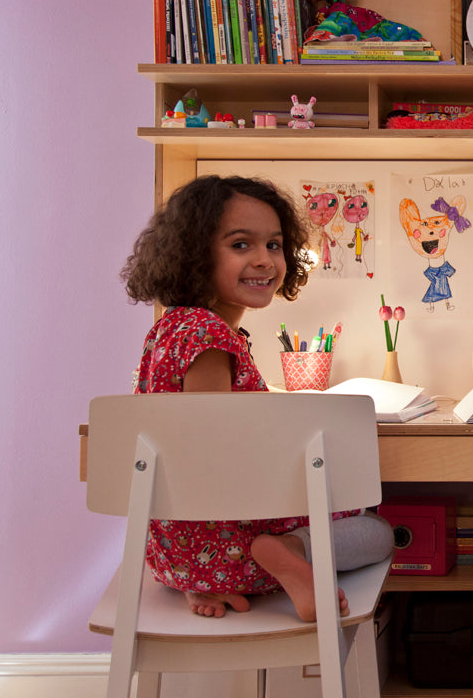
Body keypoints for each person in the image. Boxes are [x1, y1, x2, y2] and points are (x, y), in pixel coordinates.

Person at [121, 175, 394, 620]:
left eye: (273, 245)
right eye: (241, 245)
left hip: (173, 556)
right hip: (229, 550)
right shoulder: (210, 338)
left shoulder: (171, 329)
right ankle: (286, 553)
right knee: (375, 527)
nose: (265, 260)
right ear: (195, 254)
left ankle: (203, 582)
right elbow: (215, 457)